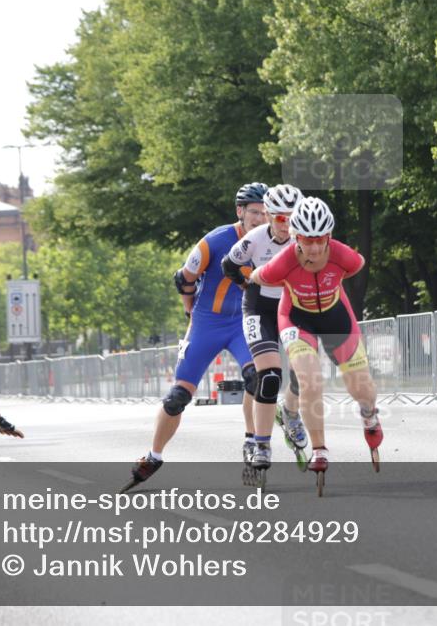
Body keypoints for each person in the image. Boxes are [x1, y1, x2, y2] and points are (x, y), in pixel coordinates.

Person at [121, 183, 269, 490]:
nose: (260, 218)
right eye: (254, 212)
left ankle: (252, 441)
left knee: (257, 379)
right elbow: (183, 278)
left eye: (265, 213)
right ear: (240, 211)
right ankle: (153, 456)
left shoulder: (271, 241)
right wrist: (190, 311)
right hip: (206, 323)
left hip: (242, 322)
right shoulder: (215, 241)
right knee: (177, 398)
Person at [249, 197, 383, 491]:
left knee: (361, 388)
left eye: (320, 239)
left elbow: (358, 265)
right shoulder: (283, 262)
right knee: (310, 380)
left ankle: (370, 416)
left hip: (336, 316)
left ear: (329, 236)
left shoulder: (343, 256)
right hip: (296, 319)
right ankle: (319, 449)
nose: (314, 247)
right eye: (307, 240)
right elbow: (258, 276)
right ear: (295, 237)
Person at [221, 184, 308, 483]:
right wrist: (244, 283)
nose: (286, 225)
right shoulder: (254, 239)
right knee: (269, 377)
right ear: (269, 216)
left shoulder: (304, 240)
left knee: (303, 373)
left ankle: (291, 413)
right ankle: (261, 444)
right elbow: (228, 265)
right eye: (280, 218)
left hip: (292, 308)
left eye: (292, 218)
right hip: (259, 308)